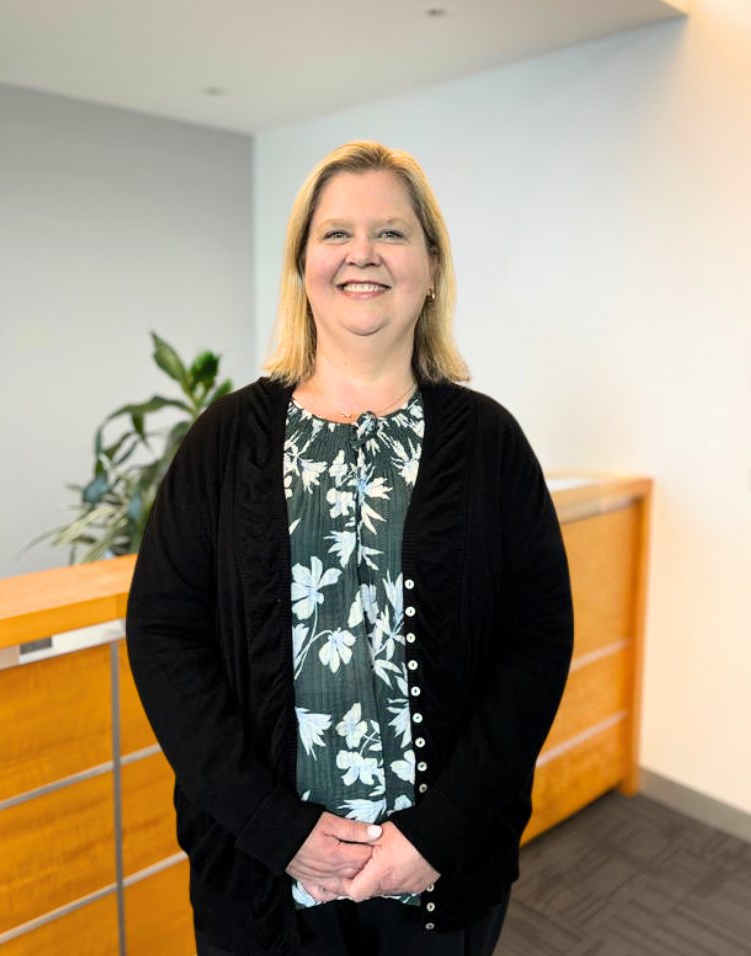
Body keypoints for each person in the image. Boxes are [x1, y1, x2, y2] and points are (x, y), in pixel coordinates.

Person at [126, 141, 573, 956]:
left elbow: (535, 644)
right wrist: (273, 826)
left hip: (441, 871)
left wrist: (441, 832)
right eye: (335, 233)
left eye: (392, 233)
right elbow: (164, 636)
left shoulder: (490, 443)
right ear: (302, 265)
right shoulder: (226, 440)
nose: (362, 253)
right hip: (266, 877)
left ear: (431, 266)